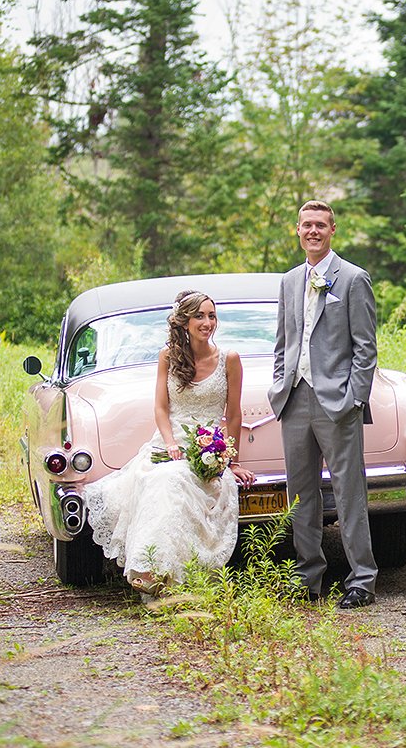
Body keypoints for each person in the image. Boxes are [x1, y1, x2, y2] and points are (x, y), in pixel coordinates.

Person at [84, 290, 256, 595]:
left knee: (178, 481)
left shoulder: (229, 359)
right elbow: (161, 409)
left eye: (212, 315)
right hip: (168, 443)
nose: (207, 322)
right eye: (199, 316)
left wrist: (232, 460)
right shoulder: (168, 357)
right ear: (185, 322)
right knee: (164, 479)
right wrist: (171, 443)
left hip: (209, 447)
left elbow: (233, 414)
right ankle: (152, 572)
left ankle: (176, 575)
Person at [268, 200, 379, 609]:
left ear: (333, 230)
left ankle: (361, 580)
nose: (312, 231)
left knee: (350, 493)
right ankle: (307, 577)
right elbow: (283, 342)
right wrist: (280, 385)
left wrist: (355, 399)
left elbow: (366, 349)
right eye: (306, 225)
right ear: (296, 231)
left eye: (320, 225)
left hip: (338, 404)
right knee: (301, 495)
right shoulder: (289, 281)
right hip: (294, 400)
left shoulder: (352, 278)